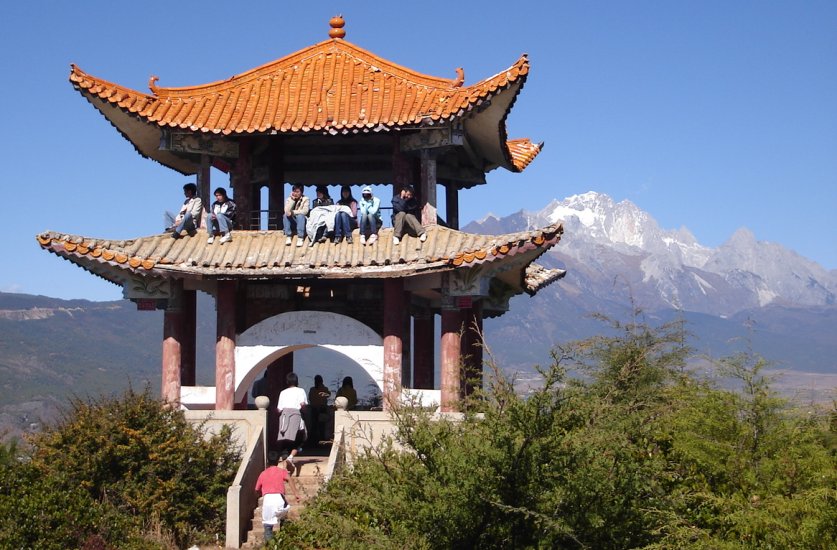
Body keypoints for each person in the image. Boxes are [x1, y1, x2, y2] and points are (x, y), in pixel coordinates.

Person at [254, 453, 298, 542]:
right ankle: (285, 541)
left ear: (267, 461)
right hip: (279, 498)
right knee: (283, 518)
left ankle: (269, 545)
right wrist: (296, 494)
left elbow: (256, 489)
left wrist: (258, 494)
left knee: (268, 526)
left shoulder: (263, 473)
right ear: (278, 461)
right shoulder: (282, 471)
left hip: (267, 500)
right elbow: (289, 479)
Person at [277, 372, 308, 467]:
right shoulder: (300, 391)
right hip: (295, 416)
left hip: (284, 417)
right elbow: (303, 404)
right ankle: (290, 457)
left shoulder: (283, 392)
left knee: (285, 438)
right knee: (300, 437)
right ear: (297, 381)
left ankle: (285, 459)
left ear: (287, 381)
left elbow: (279, 409)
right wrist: (304, 412)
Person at [307, 375, 331, 444]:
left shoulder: (313, 389)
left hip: (314, 409)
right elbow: (328, 395)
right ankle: (321, 441)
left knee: (314, 426)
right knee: (321, 426)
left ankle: (313, 441)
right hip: (321, 409)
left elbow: (310, 398)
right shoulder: (324, 389)